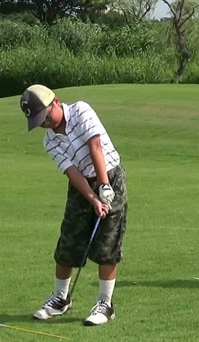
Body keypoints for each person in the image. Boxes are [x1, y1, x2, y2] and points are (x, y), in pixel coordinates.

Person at [20, 84, 128, 325]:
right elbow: (72, 172)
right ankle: (60, 298)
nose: (45, 123)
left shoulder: (81, 111)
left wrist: (104, 186)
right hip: (81, 187)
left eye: (46, 116)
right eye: (39, 122)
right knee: (68, 242)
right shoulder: (50, 141)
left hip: (110, 176)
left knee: (107, 243)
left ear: (56, 102)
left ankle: (105, 304)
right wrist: (93, 198)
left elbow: (95, 146)